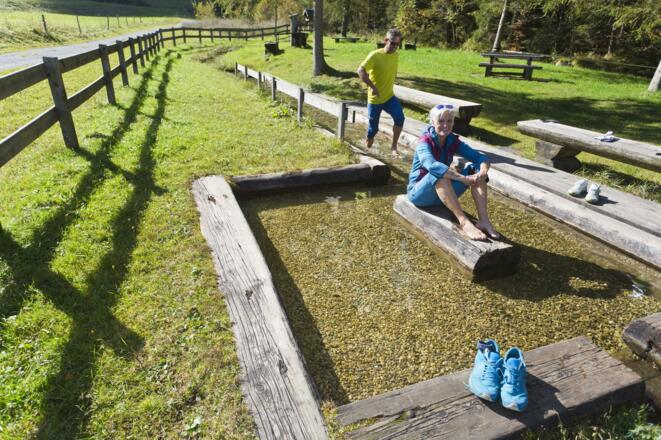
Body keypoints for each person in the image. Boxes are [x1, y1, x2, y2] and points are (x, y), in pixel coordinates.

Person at [407, 104, 500, 241]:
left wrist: (483, 172)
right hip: (420, 194)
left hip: (441, 194)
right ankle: (464, 222)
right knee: (439, 172)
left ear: (453, 123)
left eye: (449, 121)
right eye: (441, 121)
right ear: (432, 122)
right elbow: (432, 165)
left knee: (475, 170)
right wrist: (462, 178)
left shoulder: (452, 140)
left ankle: (484, 220)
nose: (445, 125)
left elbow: (480, 158)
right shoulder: (424, 142)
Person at [357, 28, 405, 157]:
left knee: (400, 118)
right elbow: (360, 71)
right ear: (385, 40)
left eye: (397, 44)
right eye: (392, 43)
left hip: (389, 97)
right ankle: (368, 145)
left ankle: (394, 147)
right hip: (375, 99)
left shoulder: (396, 55)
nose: (395, 46)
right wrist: (372, 87)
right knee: (373, 130)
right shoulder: (375, 55)